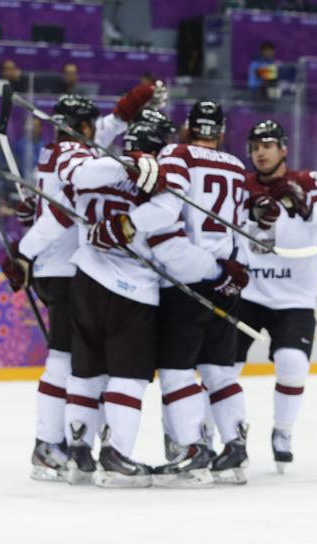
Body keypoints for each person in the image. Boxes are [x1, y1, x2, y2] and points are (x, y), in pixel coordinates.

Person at [0, 82, 169, 484]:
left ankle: (70, 446)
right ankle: (49, 445)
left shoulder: (64, 147)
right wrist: (24, 251)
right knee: (63, 361)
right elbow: (86, 172)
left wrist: (135, 100)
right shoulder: (72, 153)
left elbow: (107, 133)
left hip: (64, 263)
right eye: (93, 125)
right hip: (63, 267)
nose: (99, 129)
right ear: (83, 127)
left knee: (78, 362)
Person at [61, 110, 216, 487]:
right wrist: (214, 271)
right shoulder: (159, 187)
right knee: (128, 378)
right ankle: (116, 457)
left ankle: (77, 453)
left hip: (84, 280)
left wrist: (121, 164)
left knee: (86, 371)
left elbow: (75, 177)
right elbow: (167, 227)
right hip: (132, 291)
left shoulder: (95, 166)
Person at [235, 120, 317, 478]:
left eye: (268, 145)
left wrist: (308, 208)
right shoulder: (241, 184)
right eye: (255, 146)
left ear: (283, 148)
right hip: (249, 292)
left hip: (294, 297)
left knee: (292, 364)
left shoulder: (310, 182)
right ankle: (227, 435)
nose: (261, 152)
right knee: (222, 367)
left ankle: (282, 432)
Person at [148, 100, 252, 487]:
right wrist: (234, 274)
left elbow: (166, 206)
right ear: (221, 133)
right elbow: (240, 227)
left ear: (189, 127)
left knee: (177, 369)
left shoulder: (175, 153)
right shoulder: (238, 166)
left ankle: (192, 449)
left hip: (185, 279)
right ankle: (235, 449)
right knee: (219, 370)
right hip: (227, 278)